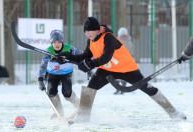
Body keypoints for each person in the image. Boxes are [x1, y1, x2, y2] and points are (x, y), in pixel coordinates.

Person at [57, 17, 186, 122]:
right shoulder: (91, 40)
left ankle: (173, 112)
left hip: (127, 69)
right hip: (107, 70)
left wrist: (89, 64)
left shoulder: (108, 37)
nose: (87, 33)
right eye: (85, 31)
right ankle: (83, 117)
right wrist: (69, 56)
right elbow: (86, 55)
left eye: (89, 30)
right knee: (90, 87)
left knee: (147, 88)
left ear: (97, 30)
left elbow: (105, 57)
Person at [38, 30, 82, 119]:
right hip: (52, 74)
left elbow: (83, 55)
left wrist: (87, 67)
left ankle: (79, 107)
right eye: (54, 42)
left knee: (67, 94)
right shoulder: (48, 52)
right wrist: (40, 79)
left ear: (62, 42)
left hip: (66, 73)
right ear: (51, 43)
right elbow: (43, 66)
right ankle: (59, 112)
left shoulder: (70, 49)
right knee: (51, 93)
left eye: (59, 42)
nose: (57, 44)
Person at [114, 27, 133, 95]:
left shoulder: (117, 40)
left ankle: (117, 89)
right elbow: (131, 52)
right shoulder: (129, 41)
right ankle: (123, 89)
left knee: (116, 75)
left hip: (118, 60)